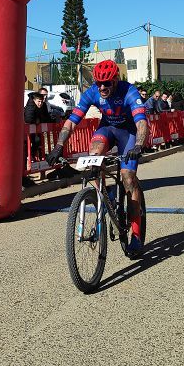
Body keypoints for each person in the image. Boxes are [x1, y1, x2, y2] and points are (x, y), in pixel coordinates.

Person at [47, 60, 149, 256]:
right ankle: (105, 195)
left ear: (116, 80)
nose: (102, 87)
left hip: (129, 133)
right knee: (93, 158)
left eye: (107, 83)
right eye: (99, 83)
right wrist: (59, 146)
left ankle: (136, 234)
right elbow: (72, 121)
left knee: (128, 177)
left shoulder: (130, 92)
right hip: (107, 128)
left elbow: (141, 122)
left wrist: (138, 145)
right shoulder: (92, 92)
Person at [23, 91, 50, 161]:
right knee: (29, 142)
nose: (40, 103)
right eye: (38, 101)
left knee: (38, 141)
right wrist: (36, 121)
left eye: (41, 101)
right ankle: (28, 157)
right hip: (26, 129)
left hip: (36, 129)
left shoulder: (43, 105)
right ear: (34, 100)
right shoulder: (30, 106)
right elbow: (28, 119)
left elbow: (46, 117)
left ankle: (34, 156)